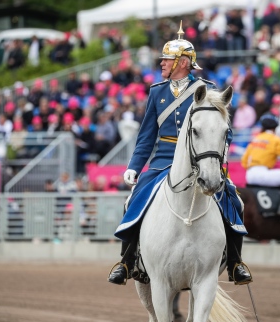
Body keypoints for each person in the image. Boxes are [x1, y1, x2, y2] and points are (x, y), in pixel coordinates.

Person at [108, 22, 252, 287]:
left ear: (183, 62)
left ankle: (235, 263)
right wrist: (135, 165)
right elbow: (147, 135)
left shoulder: (208, 89)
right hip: (163, 160)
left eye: (167, 59)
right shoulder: (156, 92)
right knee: (134, 199)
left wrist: (221, 157)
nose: (162, 63)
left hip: (201, 159)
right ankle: (126, 261)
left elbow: (222, 130)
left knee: (233, 199)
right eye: (163, 59)